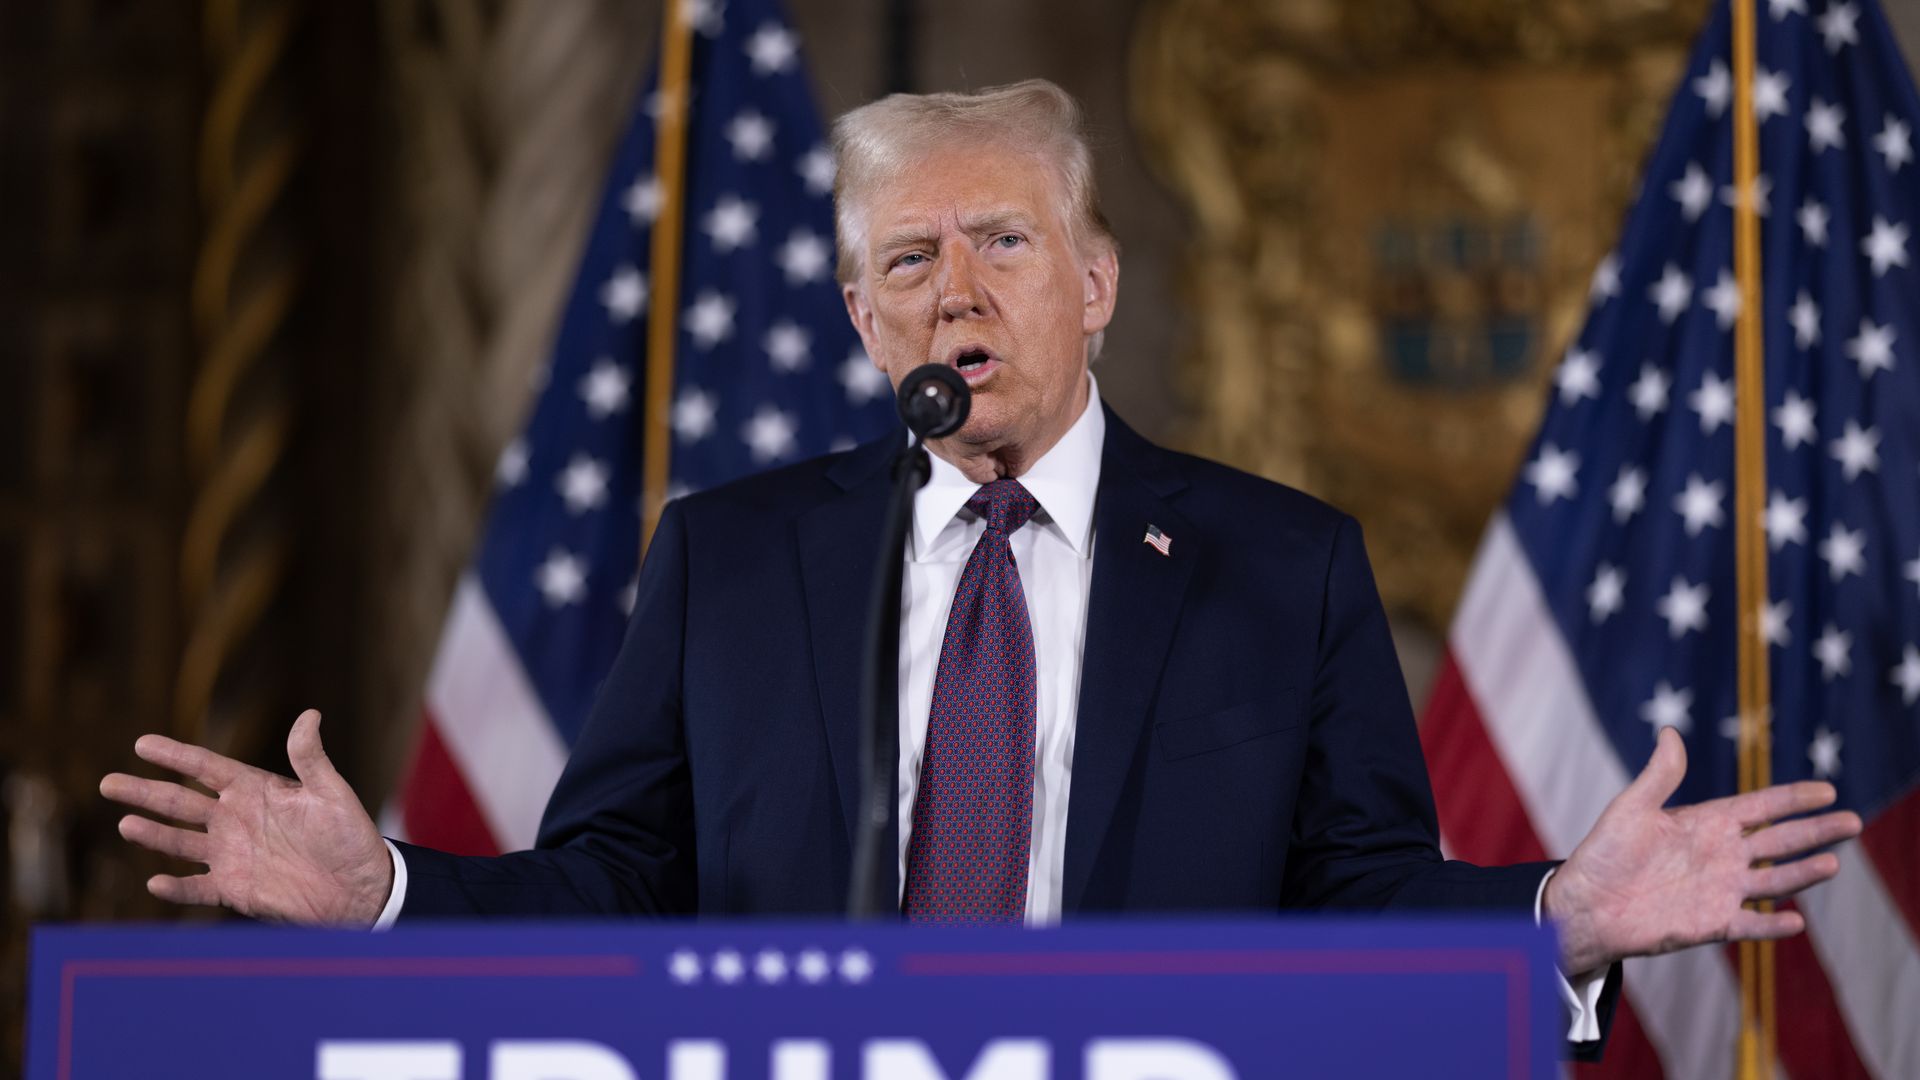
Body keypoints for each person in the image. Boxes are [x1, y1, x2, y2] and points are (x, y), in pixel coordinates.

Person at [101, 80, 1859, 1055]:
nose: (960, 290)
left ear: (1093, 281)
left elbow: (1359, 909)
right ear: (866, 321)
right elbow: (618, 894)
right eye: (911, 260)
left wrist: (1562, 920)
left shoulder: (1279, 564)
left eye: (1004, 240)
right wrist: (389, 897)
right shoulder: (733, 562)